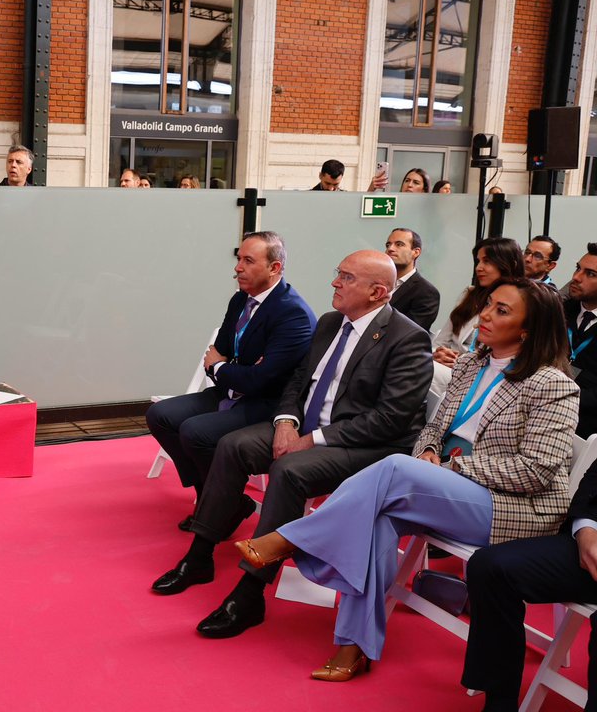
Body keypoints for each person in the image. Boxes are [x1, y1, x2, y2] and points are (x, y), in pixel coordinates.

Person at [234, 278, 579, 682]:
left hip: (510, 506)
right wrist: (430, 452)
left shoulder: (553, 385)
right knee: (378, 519)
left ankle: (290, 538)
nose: (484, 314)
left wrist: (450, 468)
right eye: (488, 304)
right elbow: (434, 428)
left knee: (396, 468)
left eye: (502, 310)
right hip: (443, 485)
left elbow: (535, 470)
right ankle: (354, 646)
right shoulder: (470, 363)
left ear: (528, 328)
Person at [152, 251, 432, 639]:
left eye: (346, 278)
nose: (335, 282)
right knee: (233, 446)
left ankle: (250, 593)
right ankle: (200, 556)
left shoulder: (408, 339)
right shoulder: (333, 322)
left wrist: (313, 439)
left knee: (289, 470)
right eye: (338, 273)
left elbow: (390, 420)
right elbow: (299, 382)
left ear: (377, 292)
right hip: (307, 426)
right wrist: (286, 422)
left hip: (365, 444)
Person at [146, 232, 316, 532]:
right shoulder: (241, 299)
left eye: (248, 261)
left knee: (194, 431)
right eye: (239, 259)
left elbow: (257, 378)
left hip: (267, 404)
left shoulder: (293, 314)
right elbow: (219, 351)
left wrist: (223, 367)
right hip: (233, 390)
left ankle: (217, 506)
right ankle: (218, 500)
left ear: (275, 268)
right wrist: (227, 368)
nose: (238, 267)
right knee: (160, 415)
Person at [461, 458, 597, 711]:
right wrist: (586, 530)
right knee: (490, 568)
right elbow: (594, 480)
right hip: (590, 548)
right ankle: (500, 702)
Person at [430, 237, 524, 395]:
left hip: (484, 377)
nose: (479, 267)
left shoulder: (523, 304)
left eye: (487, 261)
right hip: (446, 367)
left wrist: (460, 361)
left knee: (417, 370)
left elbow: (505, 358)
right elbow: (441, 341)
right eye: (478, 261)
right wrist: (438, 353)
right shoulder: (470, 294)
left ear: (509, 264)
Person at [567, 243, 597, 438]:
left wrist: (563, 398)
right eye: (578, 268)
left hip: (586, 427)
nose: (576, 278)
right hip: (536, 410)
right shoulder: (558, 312)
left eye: (591, 274)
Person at [385, 227, 440, 331]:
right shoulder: (376, 283)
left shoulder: (427, 293)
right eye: (388, 245)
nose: (390, 249)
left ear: (416, 252)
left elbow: (409, 333)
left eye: (399, 244)